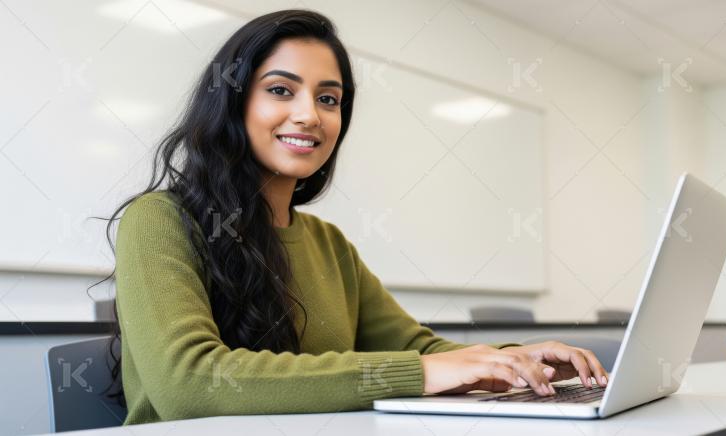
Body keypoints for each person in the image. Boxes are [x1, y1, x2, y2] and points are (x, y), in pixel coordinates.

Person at [100, 9, 608, 425]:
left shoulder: (328, 243)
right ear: (232, 102)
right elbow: (190, 384)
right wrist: (419, 373)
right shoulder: (158, 220)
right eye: (280, 90)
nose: (309, 115)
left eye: (328, 99)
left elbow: (416, 347)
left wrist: (517, 357)